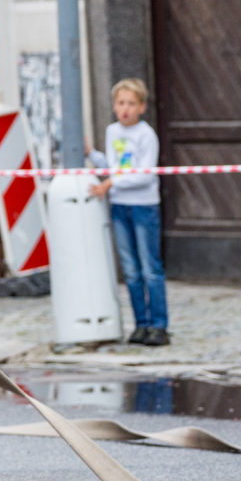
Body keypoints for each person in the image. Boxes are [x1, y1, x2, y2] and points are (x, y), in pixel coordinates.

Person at [86, 78, 169, 347]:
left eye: (131, 103)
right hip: (120, 206)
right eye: (121, 103)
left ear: (142, 107)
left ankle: (159, 325)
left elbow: (144, 174)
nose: (125, 109)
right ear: (114, 106)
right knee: (131, 271)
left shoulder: (146, 135)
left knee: (150, 268)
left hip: (143, 206)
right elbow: (114, 165)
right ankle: (141, 324)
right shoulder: (112, 132)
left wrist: (110, 183)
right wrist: (93, 155)